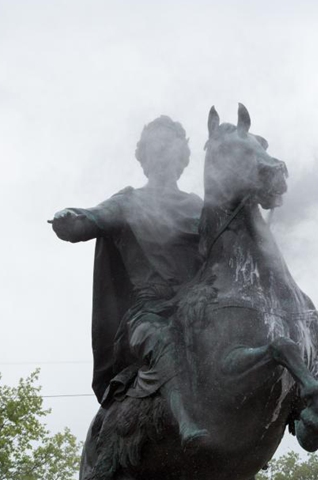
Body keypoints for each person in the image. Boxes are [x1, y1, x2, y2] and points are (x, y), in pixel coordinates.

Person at [50, 115, 207, 448]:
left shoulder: (198, 207)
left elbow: (225, 248)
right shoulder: (128, 202)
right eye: (156, 148)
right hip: (147, 314)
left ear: (182, 160)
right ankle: (188, 422)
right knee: (161, 341)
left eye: (170, 148)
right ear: (145, 159)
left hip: (196, 311)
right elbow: (90, 218)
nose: (163, 154)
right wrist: (71, 219)